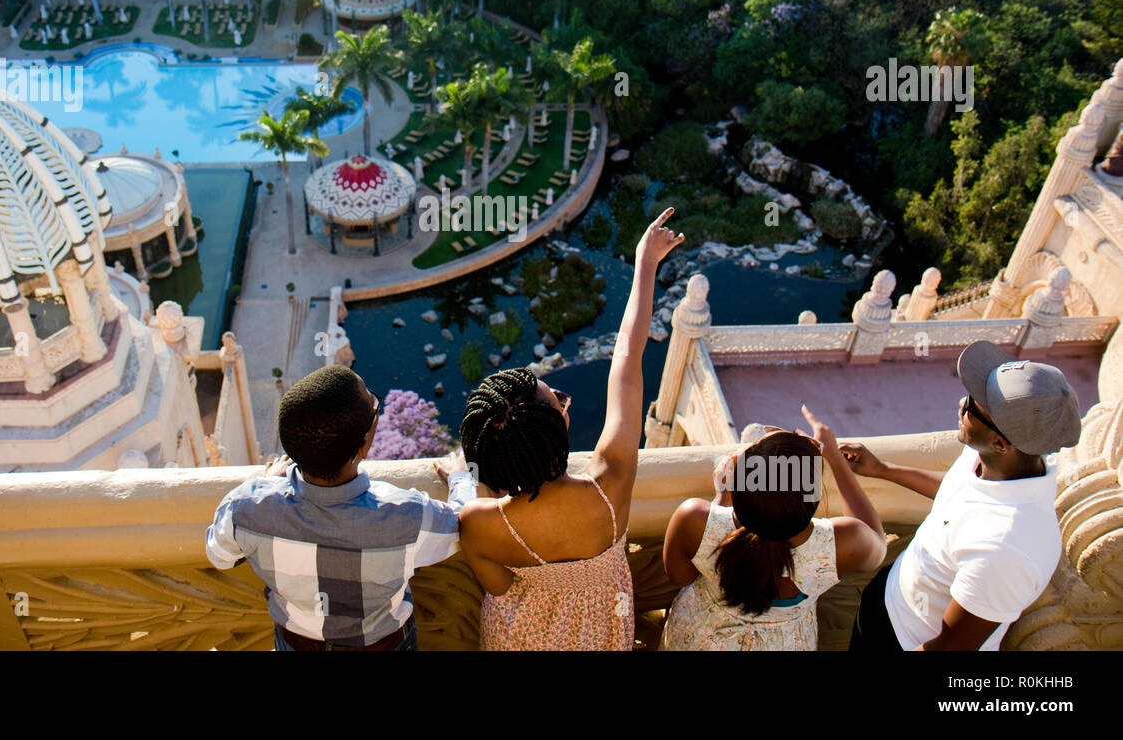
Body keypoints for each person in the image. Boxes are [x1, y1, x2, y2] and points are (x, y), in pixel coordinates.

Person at [456, 207, 685, 650]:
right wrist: (646, 263)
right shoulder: (610, 486)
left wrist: (478, 481)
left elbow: (499, 589)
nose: (562, 396)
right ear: (557, 430)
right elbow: (626, 361)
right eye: (557, 398)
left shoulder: (480, 522)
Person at [205, 364, 475, 650]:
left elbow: (220, 556)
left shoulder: (247, 507)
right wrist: (461, 478)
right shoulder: (405, 514)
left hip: (296, 643)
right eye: (373, 406)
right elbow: (464, 526)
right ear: (363, 447)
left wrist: (265, 484)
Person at [843, 340, 1082, 651]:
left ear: (1000, 442)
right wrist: (883, 470)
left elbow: (950, 647)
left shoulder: (1008, 550)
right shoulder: (999, 461)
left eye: (972, 406)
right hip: (892, 597)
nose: (961, 403)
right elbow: (961, 492)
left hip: (906, 640)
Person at [659, 409, 887, 650]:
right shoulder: (841, 543)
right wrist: (836, 461)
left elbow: (679, 577)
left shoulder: (694, 519)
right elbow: (877, 544)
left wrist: (722, 503)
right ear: (812, 501)